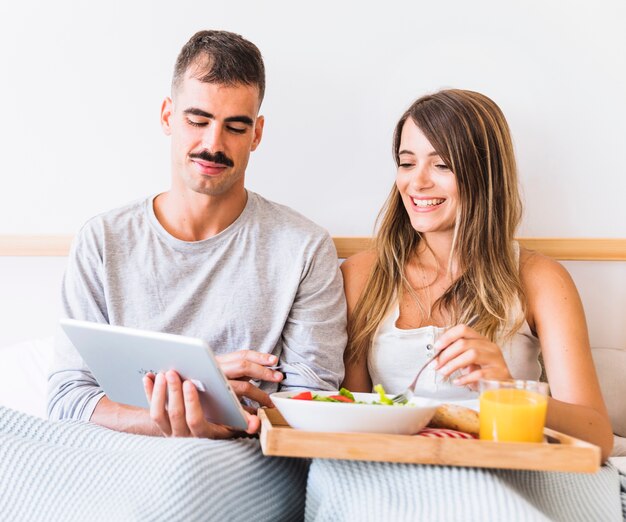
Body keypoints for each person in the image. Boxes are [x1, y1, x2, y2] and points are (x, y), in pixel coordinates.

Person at [305, 89, 621, 521]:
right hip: (395, 478)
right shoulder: (362, 275)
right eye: (406, 161)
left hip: (507, 475)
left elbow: (597, 435)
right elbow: (352, 413)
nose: (417, 182)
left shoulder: (541, 280)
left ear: (483, 173)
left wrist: (506, 391)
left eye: (442, 164)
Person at [47, 29, 347, 440]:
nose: (213, 143)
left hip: (240, 460)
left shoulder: (304, 248)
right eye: (198, 120)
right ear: (169, 116)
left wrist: (214, 423)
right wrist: (197, 390)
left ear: (256, 134)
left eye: (235, 128)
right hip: (119, 457)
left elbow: (312, 402)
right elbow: (68, 399)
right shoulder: (102, 240)